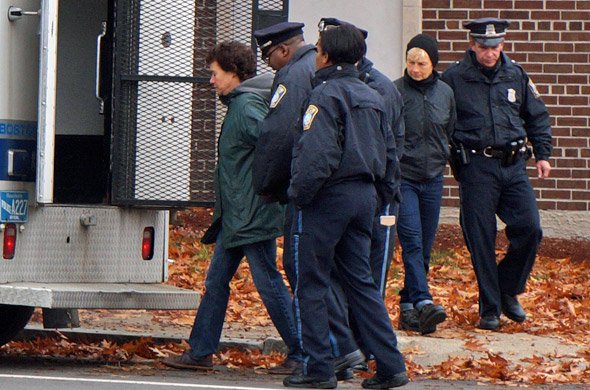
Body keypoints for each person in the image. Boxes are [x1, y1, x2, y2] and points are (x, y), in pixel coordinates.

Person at [161, 41, 300, 370]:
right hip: (240, 214)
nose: (211, 81)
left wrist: (264, 193)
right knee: (216, 281)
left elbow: (274, 146)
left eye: (215, 74)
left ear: (234, 74)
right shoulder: (244, 102)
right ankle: (200, 351)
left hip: (249, 213)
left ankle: (302, 350)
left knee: (266, 281)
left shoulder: (246, 106)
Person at [283, 23, 407, 389]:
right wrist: (385, 197)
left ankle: (318, 367)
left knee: (311, 283)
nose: (315, 55)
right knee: (361, 285)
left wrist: (298, 195)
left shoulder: (324, 96)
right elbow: (389, 156)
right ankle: (390, 363)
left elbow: (316, 157)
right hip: (364, 198)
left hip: (327, 198)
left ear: (326, 56)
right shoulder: (373, 96)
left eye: (319, 49)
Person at [253, 22, 363, 378]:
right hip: (343, 192)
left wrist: (269, 183)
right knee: (329, 275)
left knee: (305, 275)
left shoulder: (293, 75)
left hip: (309, 190)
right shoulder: (317, 73)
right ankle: (339, 352)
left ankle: (321, 355)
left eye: (269, 54)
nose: (268, 62)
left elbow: (279, 135)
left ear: (284, 50)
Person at [441, 18, 552, 331]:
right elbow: (443, 124)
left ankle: (507, 289)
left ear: (502, 45)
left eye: (496, 46)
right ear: (473, 45)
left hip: (514, 165)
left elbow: (537, 116)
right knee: (480, 238)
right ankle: (489, 308)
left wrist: (543, 154)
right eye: (484, 47)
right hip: (477, 167)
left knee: (530, 228)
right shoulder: (454, 78)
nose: (490, 53)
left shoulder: (515, 74)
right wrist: (455, 160)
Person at [394, 34, 456, 335]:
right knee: (412, 242)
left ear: (433, 64)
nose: (415, 69)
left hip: (433, 177)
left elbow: (450, 130)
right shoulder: (396, 92)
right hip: (404, 177)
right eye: (411, 62)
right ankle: (423, 300)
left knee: (426, 246)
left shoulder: (445, 93)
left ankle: (408, 308)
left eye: (421, 64)